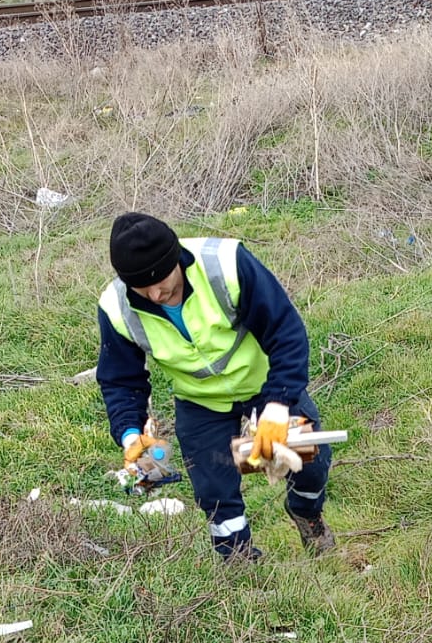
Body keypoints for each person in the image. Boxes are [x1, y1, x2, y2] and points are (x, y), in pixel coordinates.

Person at [96, 212, 333, 560]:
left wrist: (278, 405)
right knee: (214, 492)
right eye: (142, 288)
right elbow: (120, 380)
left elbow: (286, 333)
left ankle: (306, 513)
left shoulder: (226, 264)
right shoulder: (116, 307)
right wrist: (131, 435)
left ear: (177, 259)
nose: (156, 294)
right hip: (200, 402)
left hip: (264, 384)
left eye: (163, 281)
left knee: (310, 463)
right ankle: (239, 564)